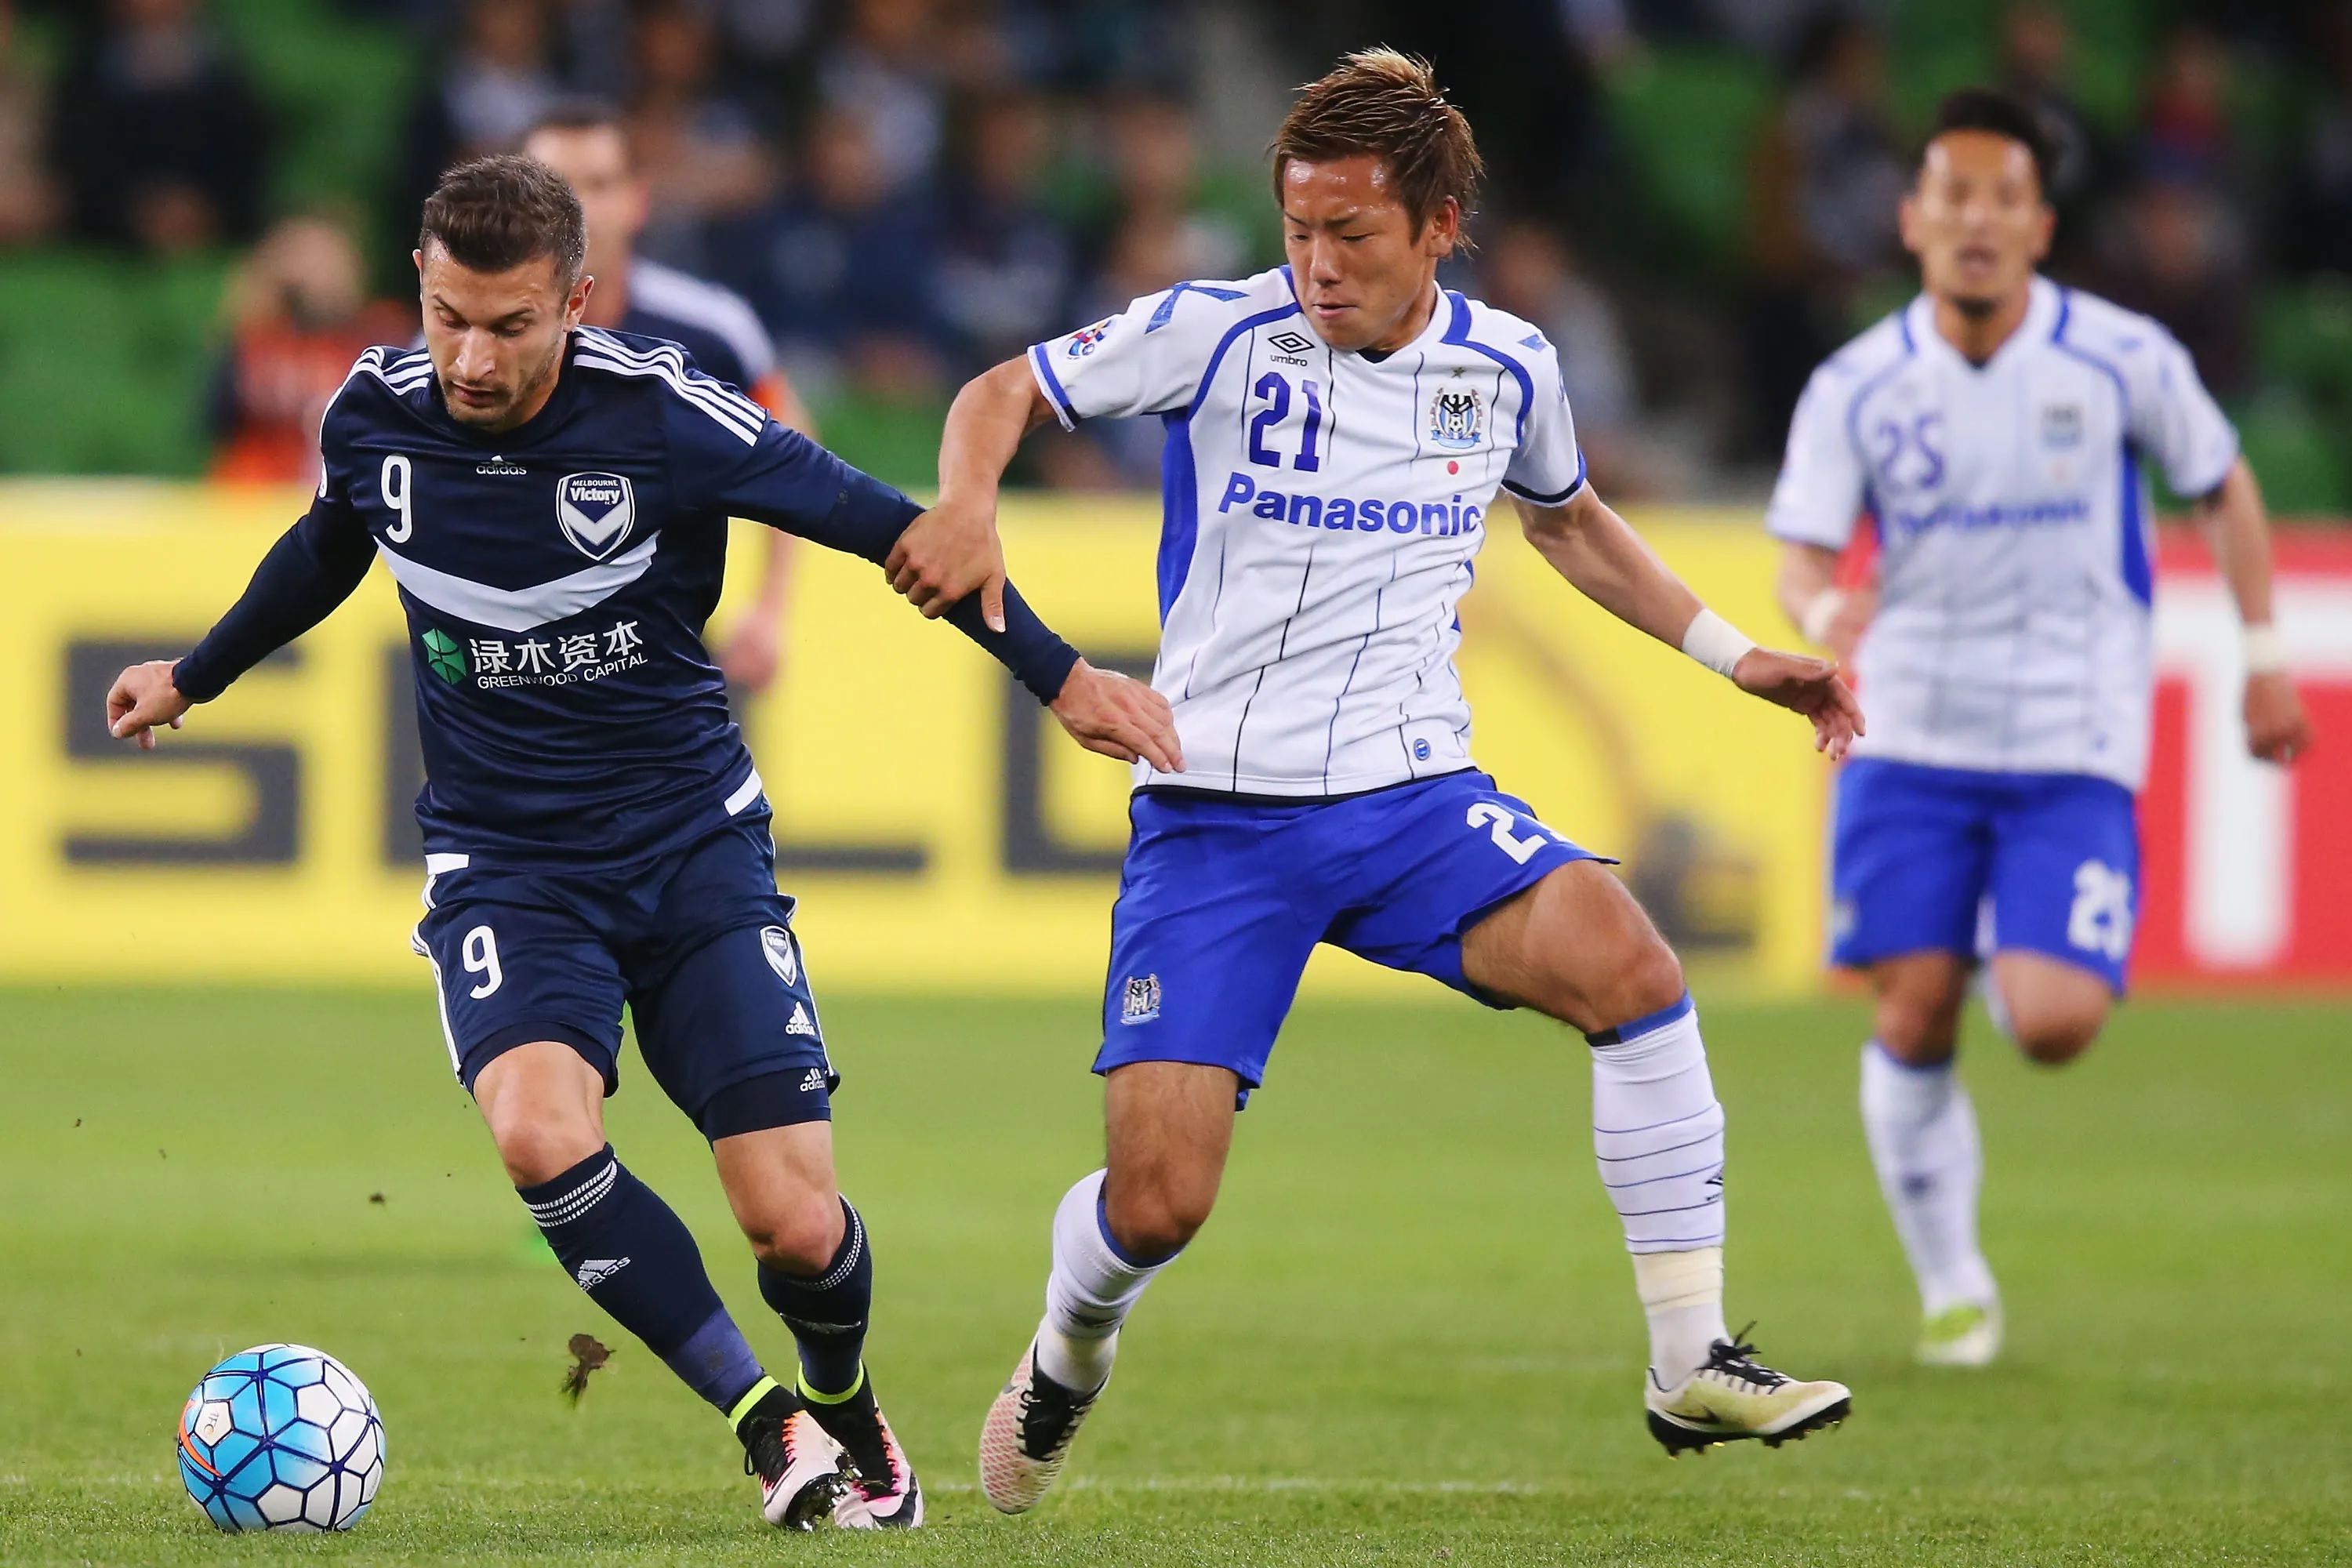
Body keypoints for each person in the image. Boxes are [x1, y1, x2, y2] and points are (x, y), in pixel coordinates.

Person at [103, 154, 1176, 1532]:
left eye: (509, 325)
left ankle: (842, 1400)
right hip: (505, 863)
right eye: (446, 318)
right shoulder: (373, 414)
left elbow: (890, 534)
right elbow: (328, 546)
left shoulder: (664, 421)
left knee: (794, 1225)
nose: (472, 359)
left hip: (690, 853)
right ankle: (765, 1420)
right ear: (417, 293)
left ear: (578, 303)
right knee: (541, 1135)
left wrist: (1063, 678)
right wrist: (197, 674)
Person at [886, 49, 1863, 1509]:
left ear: (1437, 226)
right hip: (1217, 818)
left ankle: (1688, 1358)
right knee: (1160, 1204)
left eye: (1351, 234)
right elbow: (998, 391)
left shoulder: (1508, 367)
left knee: (1634, 967)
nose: (1318, 264)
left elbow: (1573, 524)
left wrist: (1738, 657)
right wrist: (969, 505)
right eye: (1297, 230)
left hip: (1413, 799)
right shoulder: (1216, 335)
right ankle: (1066, 1350)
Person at [1764, 89, 2311, 1369]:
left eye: (2001, 199)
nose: (1975, 221)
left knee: (2057, 1025)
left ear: (2038, 224)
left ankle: (2017, 949)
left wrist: (2266, 656)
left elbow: (2222, 483)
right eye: (1951, 196)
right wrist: (1826, 602)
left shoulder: (2121, 360)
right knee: (1909, 1017)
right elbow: (1799, 549)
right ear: (1912, 219)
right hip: (1907, 731)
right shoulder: (1858, 384)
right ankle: (1953, 1280)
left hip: (2071, 737)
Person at [522, 100, 808, 690]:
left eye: (597, 185)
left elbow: (794, 453)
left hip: (664, 667)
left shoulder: (711, 332)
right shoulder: (460, 342)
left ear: (637, 200)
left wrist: (770, 609)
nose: (575, 209)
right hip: (511, 669)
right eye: (552, 187)